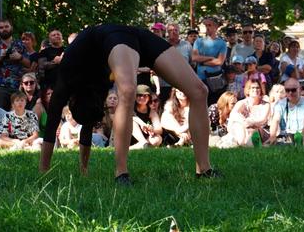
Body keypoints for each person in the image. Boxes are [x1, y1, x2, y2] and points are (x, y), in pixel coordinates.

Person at [40, 24, 217, 184]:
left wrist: (44, 169)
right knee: (128, 90)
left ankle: (204, 169)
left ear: (74, 101)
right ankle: (121, 173)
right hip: (126, 41)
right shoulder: (93, 97)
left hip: (116, 35)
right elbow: (87, 124)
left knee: (199, 91)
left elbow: (53, 121)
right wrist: (83, 169)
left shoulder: (66, 76)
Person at [0, 18, 31, 109]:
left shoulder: (20, 44)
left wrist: (20, 57)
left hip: (18, 86)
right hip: (0, 87)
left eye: (6, 26)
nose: (4, 29)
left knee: (17, 116)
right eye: (1, 27)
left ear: (11, 27)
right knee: (1, 116)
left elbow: (29, 64)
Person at [267, 78, 304, 145]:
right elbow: (275, 120)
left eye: (293, 90)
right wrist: (272, 136)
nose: (290, 93)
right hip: (286, 136)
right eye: (287, 90)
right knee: (278, 144)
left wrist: (302, 137)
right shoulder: (280, 104)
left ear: (300, 89)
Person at [192, 17, 227, 106]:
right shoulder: (198, 41)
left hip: (215, 80)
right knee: (201, 105)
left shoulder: (222, 43)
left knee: (215, 106)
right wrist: (211, 58)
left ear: (216, 27)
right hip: (200, 79)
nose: (207, 27)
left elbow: (220, 61)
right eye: (205, 25)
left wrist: (202, 61)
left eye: (209, 25)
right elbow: (194, 57)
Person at [158, 23, 193, 107]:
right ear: (167, 32)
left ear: (179, 32)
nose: (173, 32)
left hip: (182, 84)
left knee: (182, 108)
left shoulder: (187, 45)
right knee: (165, 107)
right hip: (165, 83)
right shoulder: (161, 44)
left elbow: (192, 63)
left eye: (175, 30)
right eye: (170, 30)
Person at [226, 80, 270, 147]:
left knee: (252, 130)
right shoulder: (242, 103)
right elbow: (233, 114)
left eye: (257, 87)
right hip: (242, 128)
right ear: (248, 90)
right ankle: (242, 144)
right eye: (252, 88)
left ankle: (245, 144)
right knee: (238, 125)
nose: (255, 89)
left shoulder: (265, 105)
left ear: (261, 89)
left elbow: (262, 120)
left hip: (258, 130)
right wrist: (244, 122)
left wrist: (250, 122)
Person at [130, 84, 162, 149]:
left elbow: (159, 130)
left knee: (157, 139)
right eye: (139, 95)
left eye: (145, 96)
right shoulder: (130, 107)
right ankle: (143, 143)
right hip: (128, 137)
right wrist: (142, 124)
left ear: (149, 98)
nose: (142, 98)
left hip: (146, 138)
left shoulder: (151, 112)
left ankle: (142, 145)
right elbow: (131, 116)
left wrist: (152, 129)